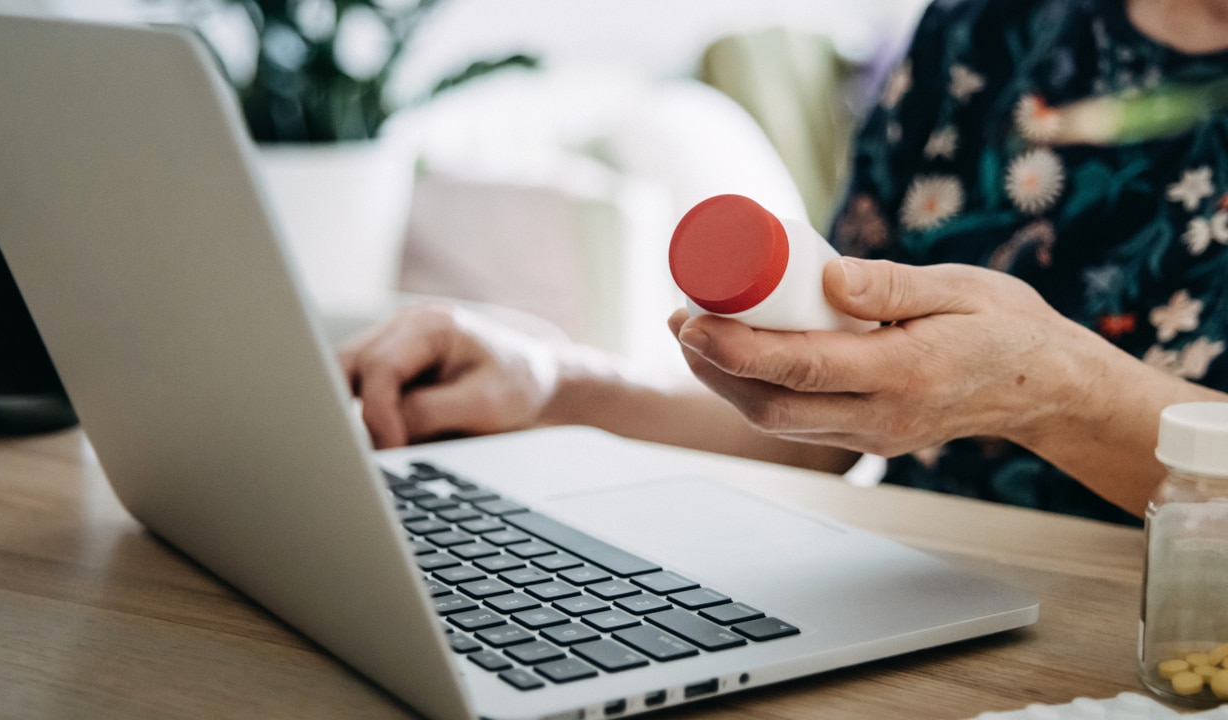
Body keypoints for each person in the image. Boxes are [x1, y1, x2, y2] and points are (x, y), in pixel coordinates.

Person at [340, 0, 1228, 526]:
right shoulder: (987, 30)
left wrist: (1060, 388)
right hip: (932, 608)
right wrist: (549, 386)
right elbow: (826, 433)